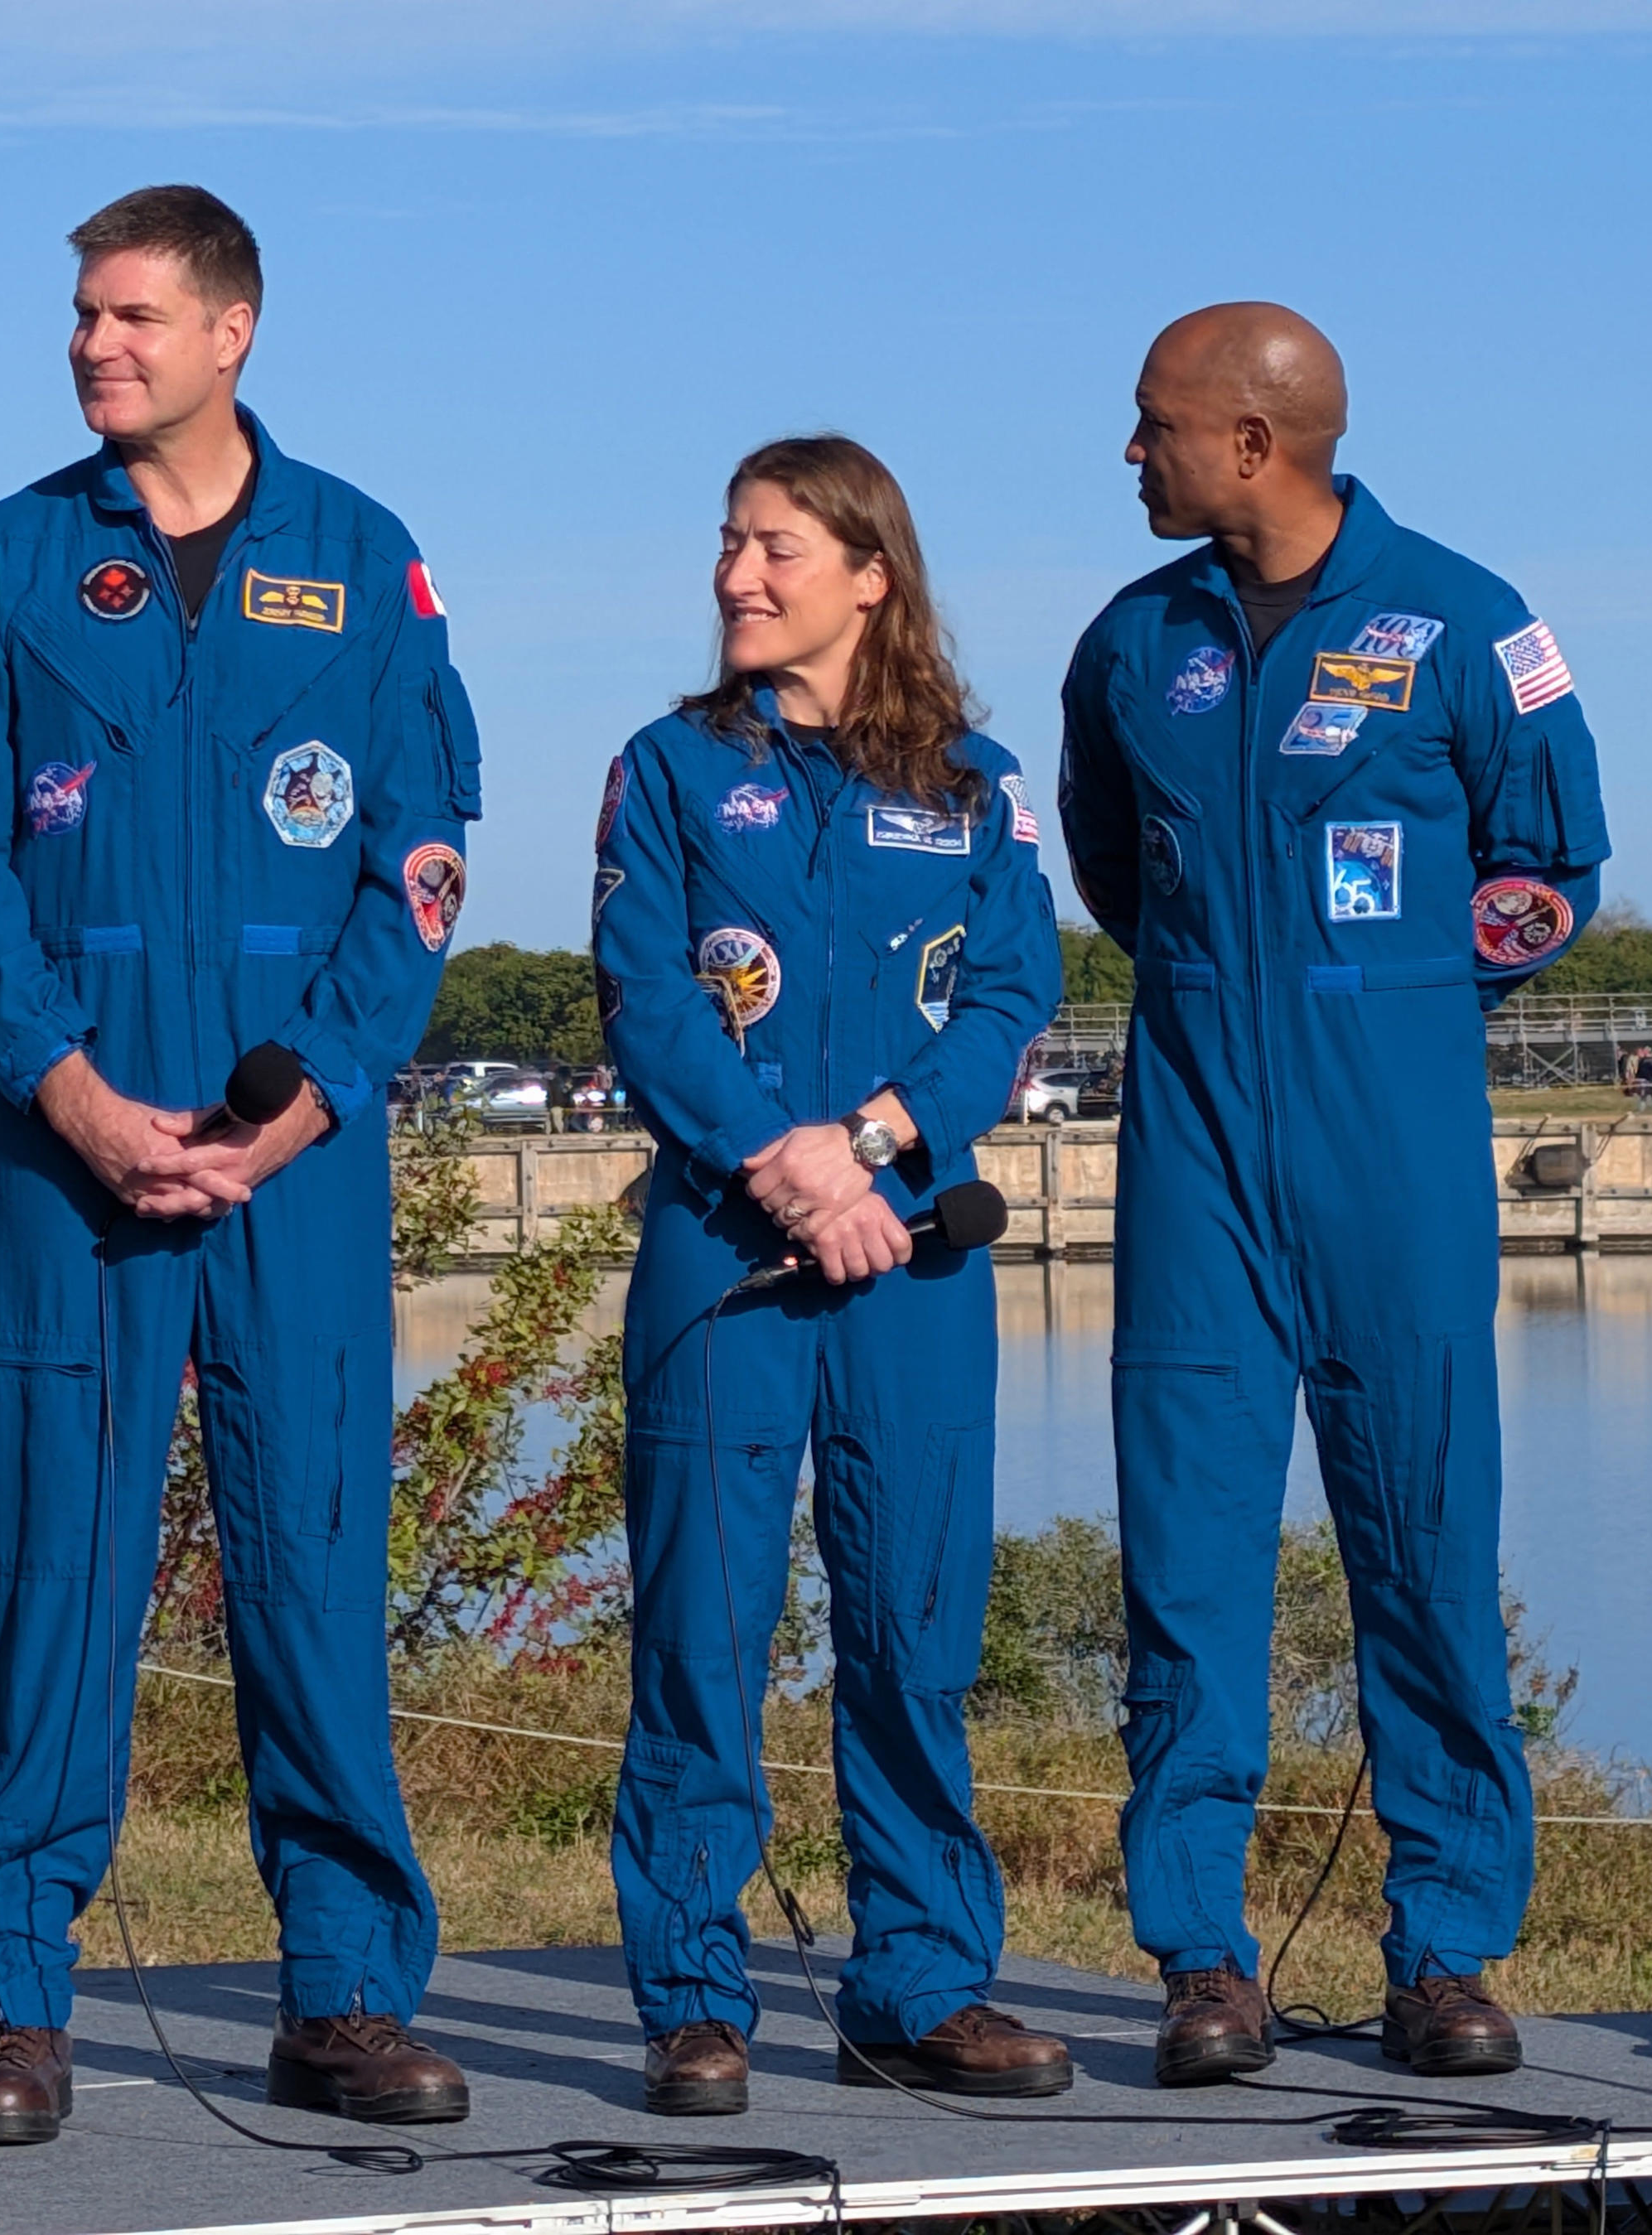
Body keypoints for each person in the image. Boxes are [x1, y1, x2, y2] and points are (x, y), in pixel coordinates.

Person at [0, 185, 483, 2145]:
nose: (93, 344)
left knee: (315, 1564)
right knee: (49, 1574)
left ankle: (341, 1994)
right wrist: (67, 1094)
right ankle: (12, 2001)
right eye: (80, 315)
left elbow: (417, 858)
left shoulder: (361, 557)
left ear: (233, 331)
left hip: (289, 1156)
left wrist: (309, 1094)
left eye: (131, 314)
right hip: (69, 1153)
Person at [1058, 304, 1609, 2084]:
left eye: (1150, 426)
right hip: (1197, 1160)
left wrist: (1400, 1004)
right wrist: (1240, 994)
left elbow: (1550, 867)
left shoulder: (1466, 619)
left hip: (1398, 1167)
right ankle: (1202, 1957)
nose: (1123, 454)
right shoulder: (1127, 645)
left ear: (1250, 442)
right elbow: (1116, 872)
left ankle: (1443, 1951)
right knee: (1188, 1575)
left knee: (1427, 1563)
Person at [593, 436, 1069, 2115]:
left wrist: (867, 1143)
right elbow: (646, 999)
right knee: (702, 1637)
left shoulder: (973, 779)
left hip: (908, 1261)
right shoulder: (664, 767)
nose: (737, 574)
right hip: (725, 1259)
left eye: (775, 547)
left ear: (870, 572)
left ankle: (918, 1982)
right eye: (726, 543)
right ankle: (693, 1995)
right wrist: (777, 1163)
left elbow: (1011, 997)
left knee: (911, 1629)